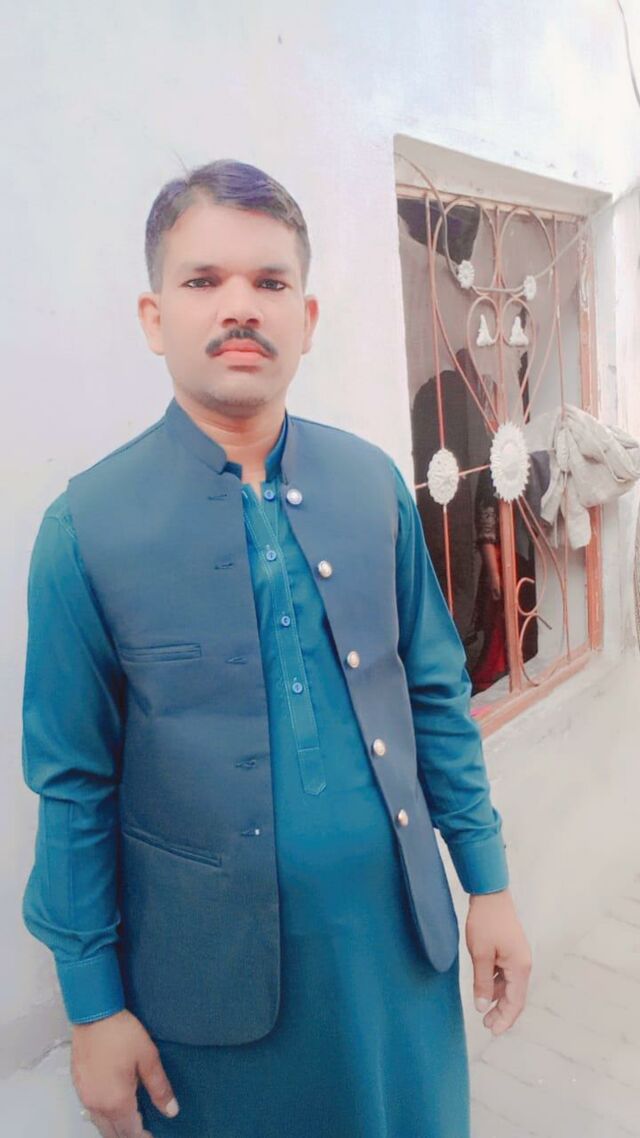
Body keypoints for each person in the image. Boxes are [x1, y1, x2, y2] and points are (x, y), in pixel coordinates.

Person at [20, 159, 532, 1138]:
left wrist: (489, 882)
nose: (240, 307)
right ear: (153, 316)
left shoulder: (371, 484)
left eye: (269, 281)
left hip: (398, 955)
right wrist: (91, 1006)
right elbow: (74, 783)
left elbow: (433, 694)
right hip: (208, 994)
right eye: (202, 280)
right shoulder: (87, 530)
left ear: (307, 315)